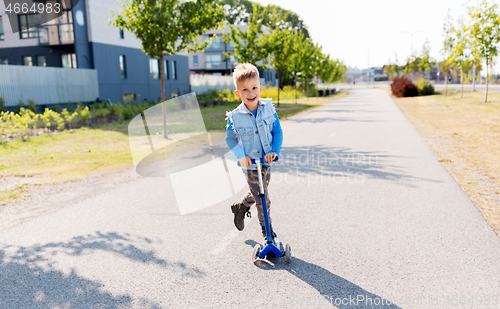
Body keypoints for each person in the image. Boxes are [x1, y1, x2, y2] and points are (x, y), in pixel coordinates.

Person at [225, 63, 283, 243]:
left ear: (260, 88)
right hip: (249, 165)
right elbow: (230, 139)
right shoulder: (234, 117)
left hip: (265, 162)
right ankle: (268, 234)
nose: (251, 93)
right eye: (245, 89)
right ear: (237, 93)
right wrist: (241, 156)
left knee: (259, 192)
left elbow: (277, 132)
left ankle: (241, 207)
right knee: (263, 198)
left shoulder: (269, 108)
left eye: (254, 88)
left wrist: (274, 151)